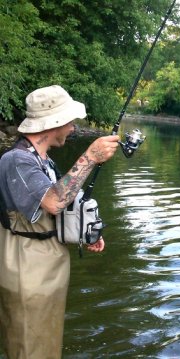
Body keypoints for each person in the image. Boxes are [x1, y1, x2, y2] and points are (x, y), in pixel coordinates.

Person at [0, 85, 120, 358]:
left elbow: (59, 206)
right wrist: (90, 157)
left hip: (48, 263)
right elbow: (54, 200)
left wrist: (86, 231)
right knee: (27, 345)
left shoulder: (43, 161)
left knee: (46, 343)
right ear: (53, 123)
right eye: (69, 122)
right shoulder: (16, 161)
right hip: (27, 267)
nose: (73, 128)